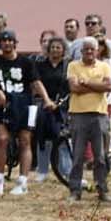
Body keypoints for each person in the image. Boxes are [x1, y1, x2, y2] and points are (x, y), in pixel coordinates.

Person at [0, 30, 49, 196]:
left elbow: (36, 82)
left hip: (25, 104)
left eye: (9, 41)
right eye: (3, 41)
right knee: (2, 139)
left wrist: (46, 99)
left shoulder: (25, 62)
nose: (6, 43)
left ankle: (22, 181)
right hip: (4, 104)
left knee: (25, 141)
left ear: (15, 43)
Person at [65, 36, 111, 201]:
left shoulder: (105, 66)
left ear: (97, 51)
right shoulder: (73, 66)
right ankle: (75, 190)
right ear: (81, 51)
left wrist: (85, 82)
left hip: (99, 115)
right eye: (85, 49)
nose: (88, 52)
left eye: (91, 49)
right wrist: (96, 86)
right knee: (78, 156)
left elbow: (108, 87)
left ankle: (102, 190)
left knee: (100, 157)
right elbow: (74, 88)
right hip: (78, 115)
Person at [32, 37, 69, 183]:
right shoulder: (40, 65)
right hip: (42, 104)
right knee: (42, 138)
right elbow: (36, 83)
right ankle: (42, 170)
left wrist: (58, 103)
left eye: (58, 47)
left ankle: (66, 170)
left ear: (63, 50)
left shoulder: (67, 66)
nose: (55, 50)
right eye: (52, 47)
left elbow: (68, 88)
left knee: (62, 138)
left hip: (61, 106)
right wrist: (46, 100)